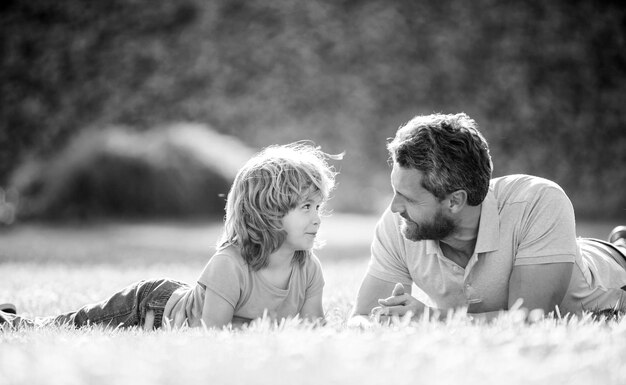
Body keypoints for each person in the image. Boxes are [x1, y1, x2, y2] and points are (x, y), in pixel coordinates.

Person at [0, 142, 340, 330]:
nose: (317, 218)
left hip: (174, 300)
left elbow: (313, 327)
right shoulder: (230, 264)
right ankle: (11, 322)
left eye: (318, 206)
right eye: (305, 207)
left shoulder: (308, 268)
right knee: (71, 324)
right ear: (269, 211)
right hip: (150, 305)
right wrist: (267, 329)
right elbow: (213, 335)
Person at [352, 113, 626, 322]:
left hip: (612, 267)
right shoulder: (400, 224)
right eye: (395, 192)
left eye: (409, 198)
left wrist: (431, 319)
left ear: (456, 200)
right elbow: (362, 318)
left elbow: (529, 319)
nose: (394, 207)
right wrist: (375, 322)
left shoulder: (538, 201)